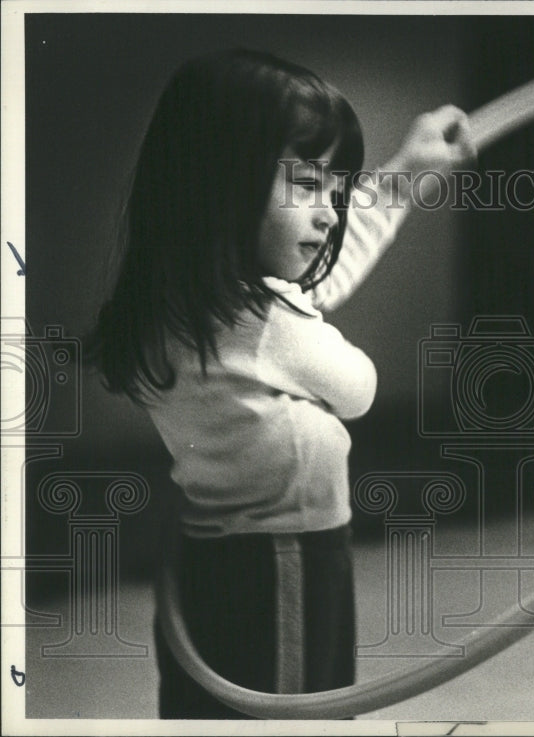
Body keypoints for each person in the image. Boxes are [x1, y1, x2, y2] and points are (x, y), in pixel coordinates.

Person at [86, 48, 475, 718]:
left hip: (220, 558)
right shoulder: (263, 321)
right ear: (221, 184)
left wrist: (406, 172)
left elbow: (327, 270)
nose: (329, 213)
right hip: (285, 559)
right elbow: (358, 387)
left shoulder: (188, 302)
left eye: (335, 188)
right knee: (298, 712)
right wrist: (307, 328)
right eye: (306, 184)